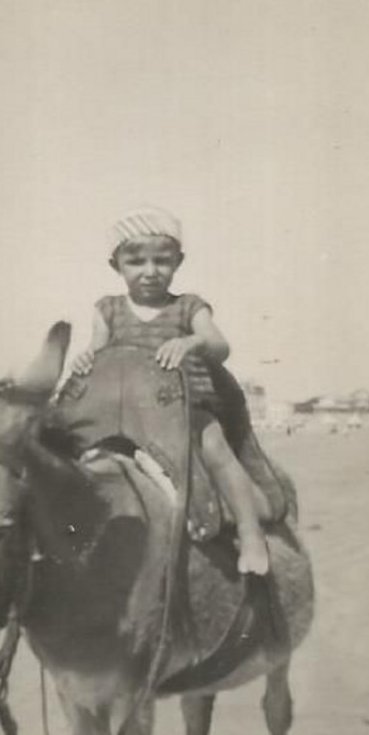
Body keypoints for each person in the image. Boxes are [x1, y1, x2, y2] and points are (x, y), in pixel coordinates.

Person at [71, 206, 270, 576]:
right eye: (135, 261)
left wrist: (192, 342)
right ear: (116, 265)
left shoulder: (188, 307)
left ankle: (251, 532)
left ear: (178, 262)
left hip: (184, 409)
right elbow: (99, 350)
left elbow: (219, 345)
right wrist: (86, 359)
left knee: (214, 448)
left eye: (162, 261)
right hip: (125, 415)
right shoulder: (108, 310)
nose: (150, 271)